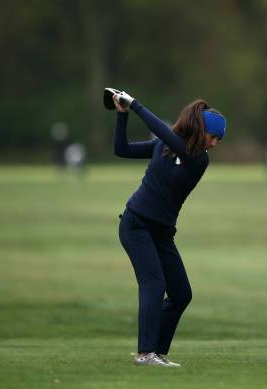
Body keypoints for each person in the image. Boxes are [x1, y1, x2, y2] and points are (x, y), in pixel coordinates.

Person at [110, 89, 226, 367]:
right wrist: (123, 114)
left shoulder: (198, 160)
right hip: (135, 225)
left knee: (181, 294)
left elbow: (164, 133)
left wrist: (135, 103)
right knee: (154, 284)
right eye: (213, 137)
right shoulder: (161, 147)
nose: (215, 144)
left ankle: (156, 352)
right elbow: (121, 149)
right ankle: (145, 354)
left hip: (161, 233)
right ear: (201, 131)